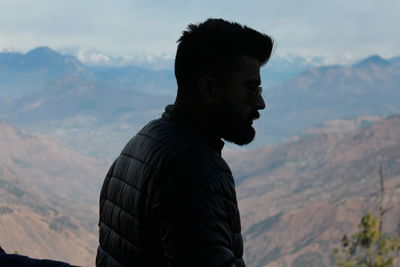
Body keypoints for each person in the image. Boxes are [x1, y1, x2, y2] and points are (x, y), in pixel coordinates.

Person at [96, 18, 273, 267]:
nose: (260, 103)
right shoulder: (194, 169)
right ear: (209, 89)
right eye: (251, 89)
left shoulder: (145, 141)